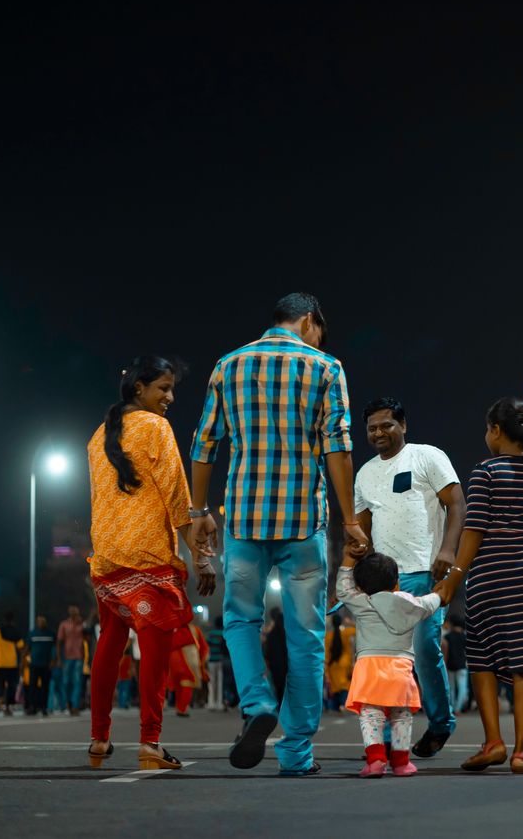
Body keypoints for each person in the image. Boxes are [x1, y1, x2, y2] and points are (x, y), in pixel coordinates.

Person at [189, 292, 362, 777]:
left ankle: (257, 702)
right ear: (309, 321)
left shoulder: (229, 365)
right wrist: (350, 522)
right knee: (306, 636)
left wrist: (198, 509)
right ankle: (296, 753)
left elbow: (205, 441)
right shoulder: (326, 367)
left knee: (241, 621)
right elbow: (339, 448)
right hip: (303, 524)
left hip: (244, 520)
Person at [86, 355, 215, 772]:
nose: (170, 397)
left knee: (109, 642)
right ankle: (150, 742)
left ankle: (99, 738)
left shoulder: (98, 435)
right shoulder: (155, 427)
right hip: (146, 555)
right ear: (139, 388)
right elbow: (177, 492)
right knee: (154, 649)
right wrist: (199, 554)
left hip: (106, 556)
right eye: (163, 388)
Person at [433, 397, 523, 775]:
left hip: (492, 574)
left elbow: (473, 532)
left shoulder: (486, 472)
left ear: (495, 430)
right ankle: (522, 752)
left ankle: (493, 742)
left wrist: (453, 578)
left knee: (483, 659)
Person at [353, 396, 466, 758]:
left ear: (403, 425)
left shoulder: (427, 456)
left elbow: (457, 503)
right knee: (383, 658)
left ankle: (440, 723)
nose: (379, 433)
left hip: (425, 569)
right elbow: (363, 531)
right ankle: (383, 739)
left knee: (422, 646)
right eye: (372, 428)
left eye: (387, 425)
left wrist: (448, 551)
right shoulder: (365, 473)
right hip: (384, 580)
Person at [337, 548, 442, 778]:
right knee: (401, 715)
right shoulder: (408, 603)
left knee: (371, 715)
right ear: (396, 582)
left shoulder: (362, 602)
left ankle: (375, 760)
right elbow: (429, 604)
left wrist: (347, 562)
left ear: (361, 586)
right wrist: (440, 594)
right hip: (401, 668)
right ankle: (401, 762)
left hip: (369, 667)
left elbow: (342, 590)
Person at [0, 612, 23, 716]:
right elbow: (20, 647)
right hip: (12, 663)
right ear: (12, 620)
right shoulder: (16, 632)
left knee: (0, 684)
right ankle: (7, 708)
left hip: (0, 662)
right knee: (11, 686)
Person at [55, 606, 86, 716]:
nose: (73, 614)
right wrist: (58, 658)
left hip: (79, 657)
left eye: (75, 612)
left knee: (77, 682)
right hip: (67, 657)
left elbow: (88, 638)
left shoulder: (82, 624)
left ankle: (75, 705)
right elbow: (59, 642)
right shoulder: (64, 624)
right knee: (66, 682)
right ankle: (68, 702)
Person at [24, 615, 56, 716]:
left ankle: (44, 707)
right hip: (34, 664)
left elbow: (55, 648)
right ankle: (32, 707)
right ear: (37, 623)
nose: (41, 623)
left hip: (46, 665)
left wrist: (53, 661)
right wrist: (23, 661)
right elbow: (27, 648)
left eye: (43, 621)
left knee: (45, 687)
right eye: (39, 621)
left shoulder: (51, 634)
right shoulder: (32, 634)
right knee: (32, 687)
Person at [324, 613, 355, 712]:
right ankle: (343, 704)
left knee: (335, 687)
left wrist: (326, 668)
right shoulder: (346, 632)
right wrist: (350, 623)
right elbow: (360, 629)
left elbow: (327, 653)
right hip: (344, 663)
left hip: (332, 664)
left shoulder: (328, 636)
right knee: (345, 685)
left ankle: (337, 706)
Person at [262, 607, 288, 705]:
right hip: (287, 665)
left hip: (274, 666)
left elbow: (267, 651)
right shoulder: (286, 633)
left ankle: (278, 704)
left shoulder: (271, 634)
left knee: (277, 687)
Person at [444, 617, 469, 713]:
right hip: (462, 665)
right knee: (462, 687)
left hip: (450, 664)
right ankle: (458, 708)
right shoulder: (465, 637)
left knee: (451, 688)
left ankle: (452, 707)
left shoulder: (447, 637)